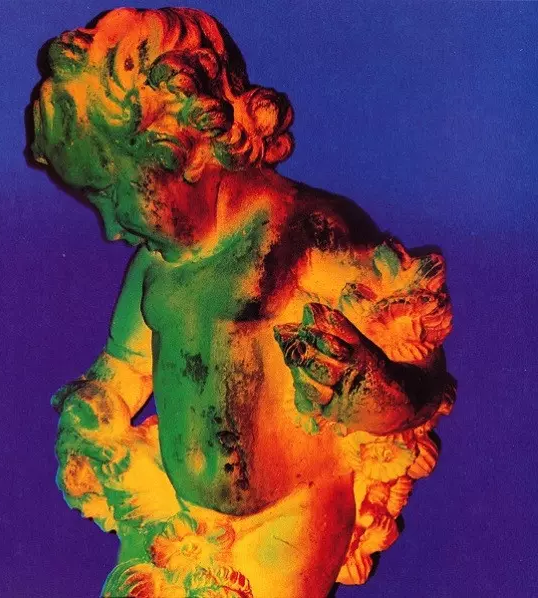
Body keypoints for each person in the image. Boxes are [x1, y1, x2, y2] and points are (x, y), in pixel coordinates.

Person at [30, 7, 455, 597]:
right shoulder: (154, 268)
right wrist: (99, 399)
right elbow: (124, 363)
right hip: (176, 518)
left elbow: (422, 375)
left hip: (289, 520)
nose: (109, 227)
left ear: (181, 147)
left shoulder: (305, 238)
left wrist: (367, 388)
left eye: (110, 192)